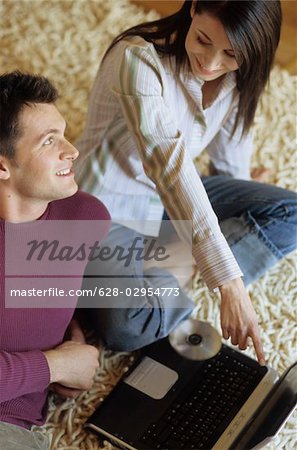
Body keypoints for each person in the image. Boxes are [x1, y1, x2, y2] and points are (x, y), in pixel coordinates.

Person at [76, 1, 297, 365]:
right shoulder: (138, 59)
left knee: (290, 213)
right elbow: (168, 166)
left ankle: (179, 261)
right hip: (109, 207)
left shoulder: (237, 74)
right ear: (194, 7)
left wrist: (242, 191)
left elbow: (228, 154)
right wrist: (228, 282)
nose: (210, 63)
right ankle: (179, 263)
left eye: (230, 54)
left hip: (170, 201)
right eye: (203, 40)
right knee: (126, 327)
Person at [0, 71, 110, 449]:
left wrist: (70, 336)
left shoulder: (86, 217)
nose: (72, 150)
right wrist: (58, 365)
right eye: (50, 142)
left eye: (62, 133)